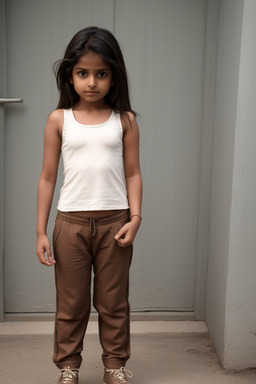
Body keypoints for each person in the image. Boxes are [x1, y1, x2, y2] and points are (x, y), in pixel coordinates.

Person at [36, 26, 142, 384]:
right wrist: (41, 230)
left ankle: (115, 365)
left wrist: (136, 217)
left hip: (115, 224)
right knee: (72, 303)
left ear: (114, 76)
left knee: (113, 302)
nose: (92, 82)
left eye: (101, 73)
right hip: (70, 226)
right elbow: (48, 177)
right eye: (83, 73)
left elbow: (132, 174)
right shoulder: (58, 119)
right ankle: (69, 367)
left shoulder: (124, 121)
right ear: (70, 74)